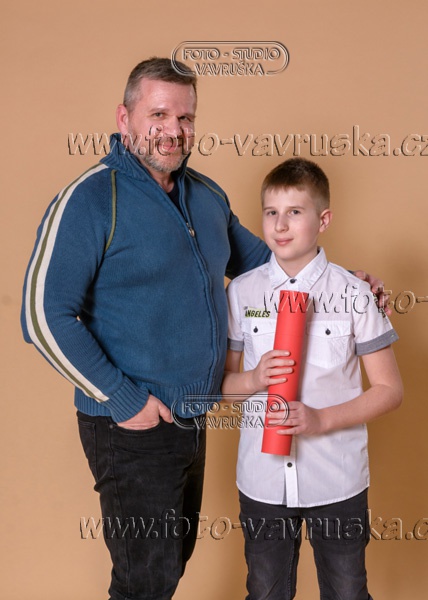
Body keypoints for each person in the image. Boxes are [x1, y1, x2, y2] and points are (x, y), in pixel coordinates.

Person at [21, 58, 390, 600]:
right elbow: (42, 316)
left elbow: (270, 266)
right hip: (131, 422)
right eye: (158, 114)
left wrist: (348, 284)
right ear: (124, 118)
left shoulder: (206, 196)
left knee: (170, 564)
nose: (173, 130)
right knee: (144, 580)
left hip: (192, 416)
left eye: (186, 117)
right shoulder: (92, 198)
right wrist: (125, 399)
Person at [222, 157, 403, 600]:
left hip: (336, 478)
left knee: (347, 592)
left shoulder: (354, 293)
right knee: (265, 592)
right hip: (263, 479)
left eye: (295, 212)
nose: (280, 224)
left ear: (323, 220)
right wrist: (254, 379)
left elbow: (389, 390)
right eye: (271, 212)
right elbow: (224, 387)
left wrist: (321, 420)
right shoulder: (242, 292)